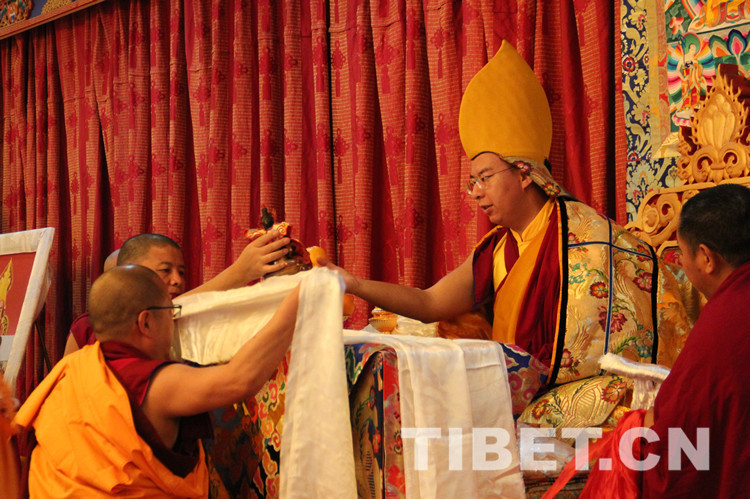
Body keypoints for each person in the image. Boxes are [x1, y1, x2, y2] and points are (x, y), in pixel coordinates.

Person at [323, 41, 697, 415]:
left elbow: (612, 348)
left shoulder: (585, 240)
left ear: (524, 174)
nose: (476, 192)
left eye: (485, 178)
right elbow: (430, 303)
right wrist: (353, 283)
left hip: (565, 396)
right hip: (511, 395)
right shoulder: (499, 248)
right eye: (472, 182)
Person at [14, 264, 300, 496]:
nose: (174, 322)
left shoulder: (70, 372)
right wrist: (302, 296)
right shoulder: (152, 380)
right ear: (146, 322)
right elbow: (240, 379)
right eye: (171, 311)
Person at [546, 184, 750, 498]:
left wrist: (633, 428)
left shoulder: (722, 323)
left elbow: (678, 441)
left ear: (706, 258)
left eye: (681, 253)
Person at [63, 230, 291, 356]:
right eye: (165, 270)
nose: (177, 280)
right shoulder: (86, 328)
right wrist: (239, 272)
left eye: (181, 272)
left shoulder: (184, 317)